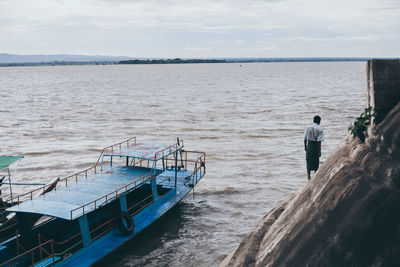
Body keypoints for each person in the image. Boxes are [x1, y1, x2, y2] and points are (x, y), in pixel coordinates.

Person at [304, 115, 324, 180]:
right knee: (316, 161)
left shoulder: (308, 127)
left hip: (309, 145)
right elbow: (319, 141)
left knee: (308, 160)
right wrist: (319, 151)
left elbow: (305, 138)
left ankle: (308, 177)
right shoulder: (320, 129)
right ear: (319, 121)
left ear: (313, 120)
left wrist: (305, 146)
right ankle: (315, 176)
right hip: (315, 145)